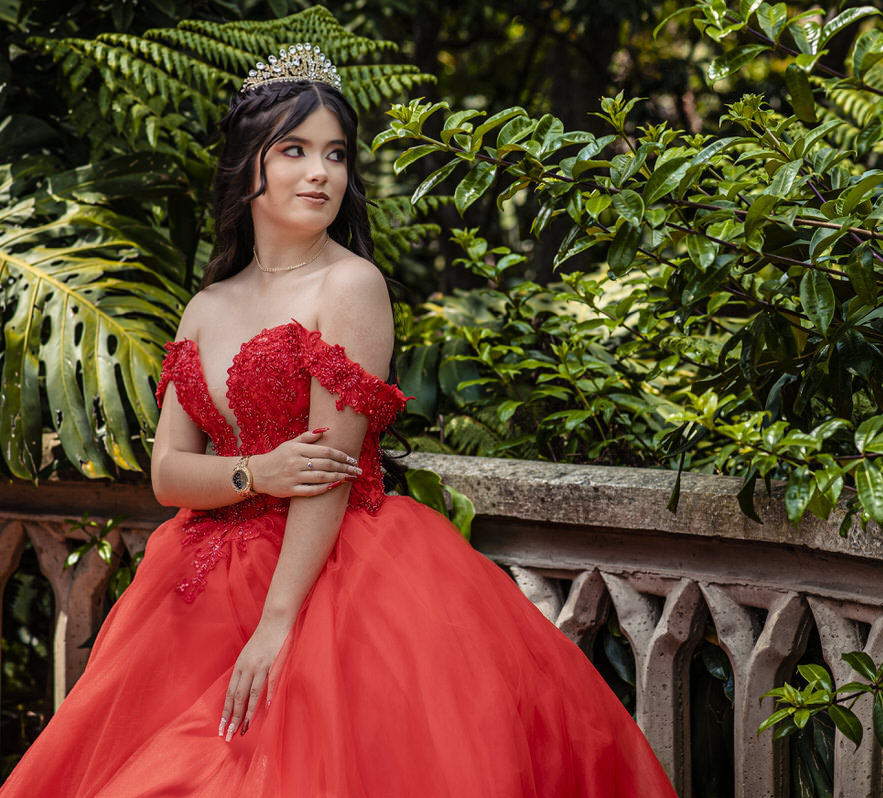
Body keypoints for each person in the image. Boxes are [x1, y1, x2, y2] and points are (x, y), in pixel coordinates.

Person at [1, 44, 677, 796]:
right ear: (248, 165)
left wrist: (277, 627)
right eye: (294, 150)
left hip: (330, 576)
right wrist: (254, 472)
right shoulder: (206, 306)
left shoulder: (350, 286)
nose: (320, 172)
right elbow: (166, 475)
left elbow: (328, 473)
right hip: (196, 581)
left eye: (336, 154)